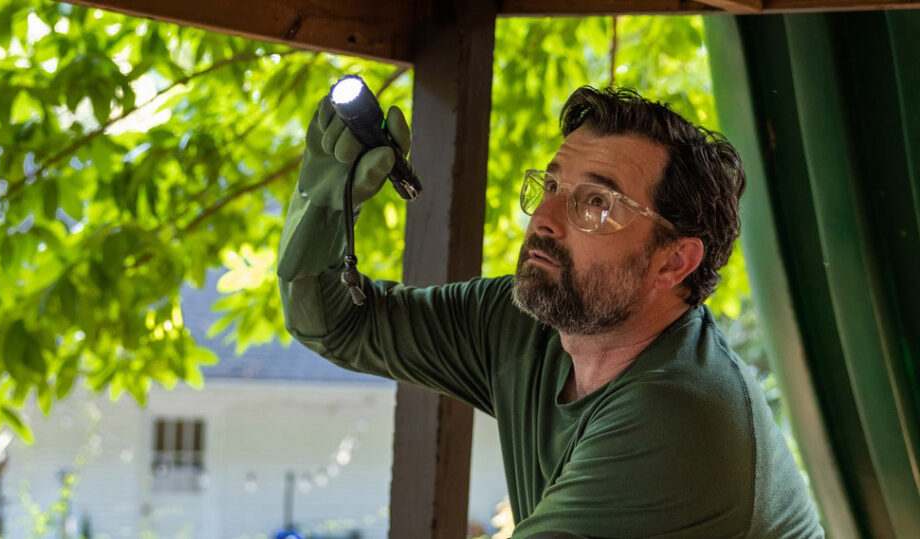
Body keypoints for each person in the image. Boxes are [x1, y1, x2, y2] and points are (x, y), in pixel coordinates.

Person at [277, 86, 823, 537]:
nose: (545, 217)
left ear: (674, 262)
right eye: (553, 184)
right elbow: (336, 324)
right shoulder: (527, 322)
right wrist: (322, 206)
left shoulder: (683, 414)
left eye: (596, 202)